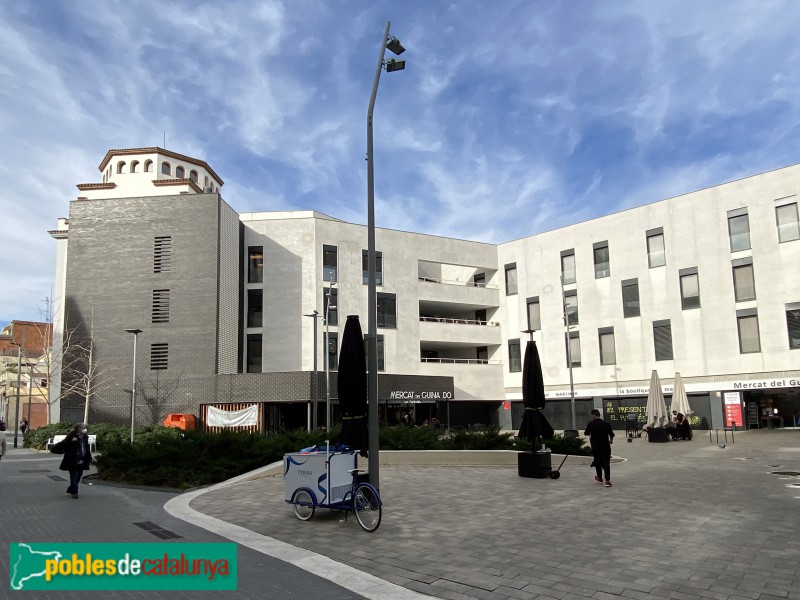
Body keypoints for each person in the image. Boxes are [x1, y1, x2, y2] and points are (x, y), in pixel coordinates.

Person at [56, 423, 93, 499]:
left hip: (82, 459)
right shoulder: (72, 436)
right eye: (82, 428)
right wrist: (72, 442)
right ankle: (75, 492)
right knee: (74, 475)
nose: (84, 429)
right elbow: (65, 444)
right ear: (78, 429)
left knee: (79, 475)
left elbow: (86, 448)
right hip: (72, 460)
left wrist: (89, 458)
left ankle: (71, 488)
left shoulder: (84, 437)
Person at [584, 409, 615, 487]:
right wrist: (611, 441)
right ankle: (607, 481)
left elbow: (586, 433)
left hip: (596, 447)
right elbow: (611, 434)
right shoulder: (606, 423)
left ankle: (600, 477)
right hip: (605, 447)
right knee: (606, 463)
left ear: (594, 415)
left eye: (592, 415)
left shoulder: (591, 424)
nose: (592, 417)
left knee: (597, 462)